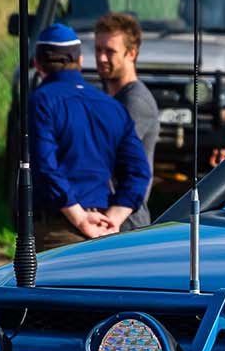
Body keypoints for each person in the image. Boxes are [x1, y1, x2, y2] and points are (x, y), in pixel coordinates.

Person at [27, 23, 149, 249]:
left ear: (37, 63)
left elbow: (45, 166)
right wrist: (113, 219)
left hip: (59, 229)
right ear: (80, 61)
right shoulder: (112, 106)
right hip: (105, 229)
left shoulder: (41, 101)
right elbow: (139, 172)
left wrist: (80, 217)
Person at [93, 12, 156, 228]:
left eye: (110, 51)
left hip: (126, 222)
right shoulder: (106, 97)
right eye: (98, 50)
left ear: (131, 53)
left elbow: (104, 154)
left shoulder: (135, 101)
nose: (102, 58)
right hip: (105, 217)